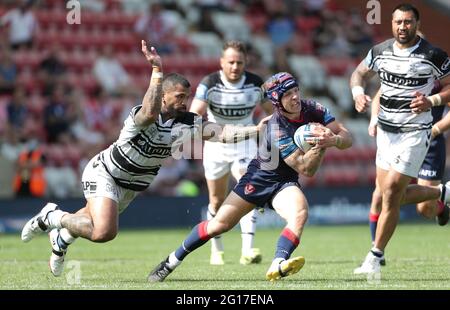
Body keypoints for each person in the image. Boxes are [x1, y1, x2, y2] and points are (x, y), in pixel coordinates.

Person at [20, 40, 267, 277]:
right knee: (103, 232)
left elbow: (222, 133)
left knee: (87, 218)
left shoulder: (189, 122)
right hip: (106, 172)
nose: (185, 102)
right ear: (163, 97)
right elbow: (149, 110)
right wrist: (157, 70)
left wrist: (254, 131)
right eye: (179, 97)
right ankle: (51, 216)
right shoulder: (142, 114)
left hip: (132, 185)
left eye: (187, 96)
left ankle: (61, 238)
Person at [147, 72, 352, 282]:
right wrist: (320, 145)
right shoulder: (276, 127)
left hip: (283, 183)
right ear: (276, 101)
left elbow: (346, 136)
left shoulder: (313, 108)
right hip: (257, 179)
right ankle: (171, 261)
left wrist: (334, 139)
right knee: (218, 225)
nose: (295, 97)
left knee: (300, 213)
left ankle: (278, 263)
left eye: (296, 90)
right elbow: (305, 168)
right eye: (288, 94)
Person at [351, 3, 450, 275]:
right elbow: (359, 73)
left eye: (408, 22)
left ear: (416, 24)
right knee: (387, 196)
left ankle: (374, 257)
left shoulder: (433, 55)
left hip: (416, 133)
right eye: (398, 22)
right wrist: (358, 92)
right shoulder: (380, 52)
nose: (402, 27)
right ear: (391, 24)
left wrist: (432, 100)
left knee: (393, 190)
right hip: (386, 133)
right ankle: (444, 193)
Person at [189, 40, 272, 265]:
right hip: (216, 145)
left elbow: (271, 112)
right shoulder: (210, 83)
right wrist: (195, 122)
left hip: (245, 142)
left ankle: (248, 250)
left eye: (240, 62)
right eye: (231, 62)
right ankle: (216, 250)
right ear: (222, 62)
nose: (235, 67)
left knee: (248, 191)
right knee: (216, 201)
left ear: (246, 63)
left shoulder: (256, 84)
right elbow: (195, 112)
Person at [368, 84, 450, 260]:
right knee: (382, 194)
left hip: (430, 142)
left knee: (426, 210)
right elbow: (379, 95)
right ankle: (376, 251)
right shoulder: (403, 69)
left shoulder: (439, 71)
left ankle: (441, 202)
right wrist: (374, 118)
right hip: (396, 140)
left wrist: (435, 130)